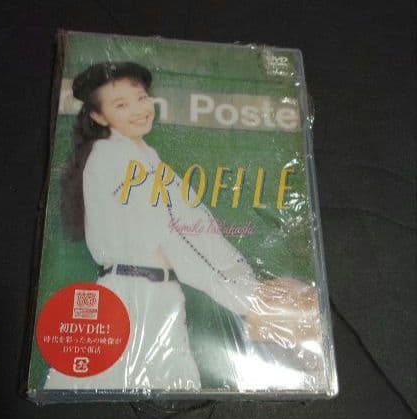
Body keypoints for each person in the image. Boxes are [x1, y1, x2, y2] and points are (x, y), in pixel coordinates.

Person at [44, 61, 320, 392]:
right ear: (99, 117)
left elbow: (199, 229)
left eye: (141, 98)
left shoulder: (147, 158)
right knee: (98, 390)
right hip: (130, 300)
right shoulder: (112, 157)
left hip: (160, 297)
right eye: (121, 105)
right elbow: (174, 237)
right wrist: (251, 301)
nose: (138, 110)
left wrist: (253, 290)